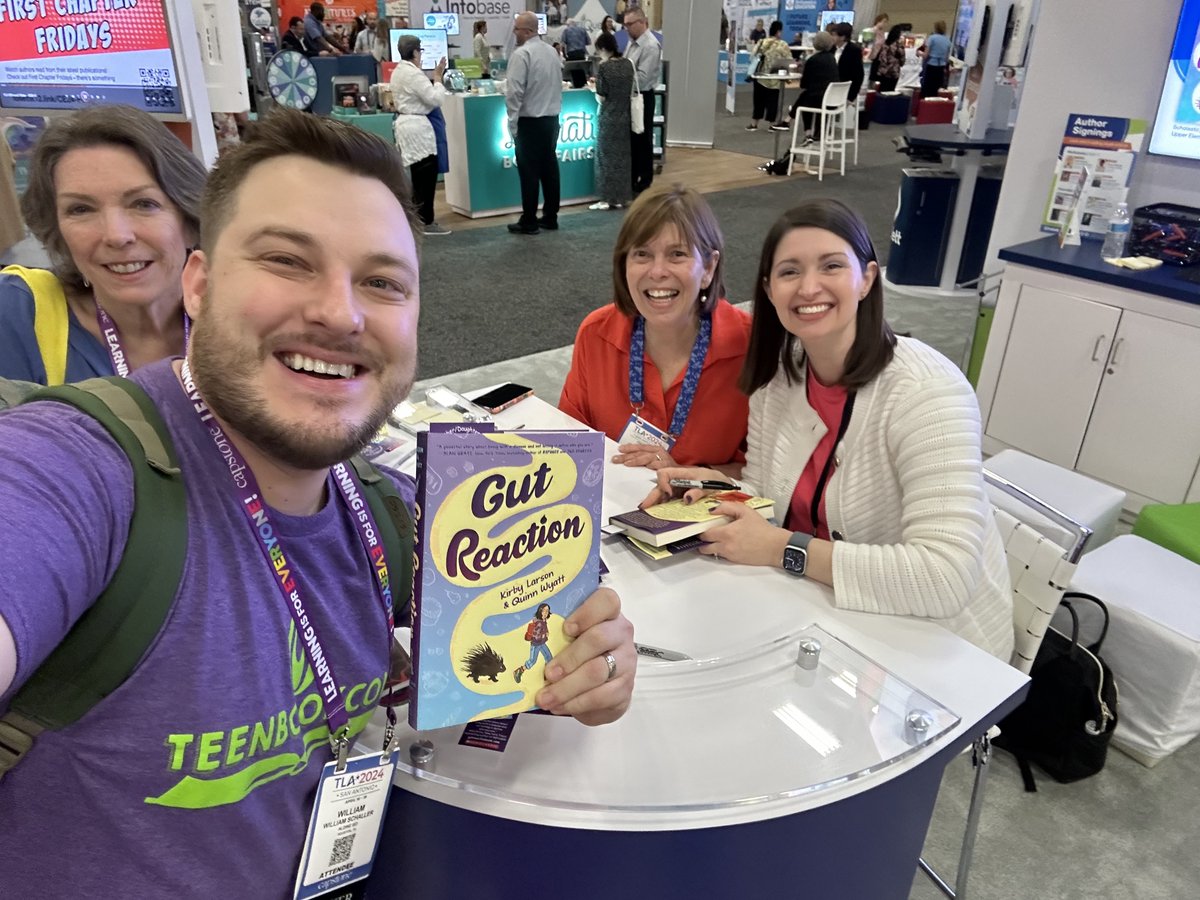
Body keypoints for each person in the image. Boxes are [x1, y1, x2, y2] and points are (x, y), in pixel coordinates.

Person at [0, 109, 635, 897]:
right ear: (198, 283)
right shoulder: (81, 470)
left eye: (381, 282)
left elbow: (548, 585)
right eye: (286, 260)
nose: (341, 313)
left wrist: (586, 652)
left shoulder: (384, 510)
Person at [644, 199, 1014, 659]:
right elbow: (769, 494)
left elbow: (944, 577)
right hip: (823, 616)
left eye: (832, 265)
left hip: (938, 649)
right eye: (790, 271)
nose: (809, 286)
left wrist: (783, 549)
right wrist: (715, 491)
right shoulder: (780, 378)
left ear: (867, 279)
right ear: (769, 289)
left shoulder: (928, 392)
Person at [0, 105, 206, 385]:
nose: (116, 235)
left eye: (143, 204)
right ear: (57, 228)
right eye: (81, 209)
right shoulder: (17, 314)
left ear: (189, 219)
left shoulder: (243, 319)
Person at [560, 185, 750, 471]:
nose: (658, 271)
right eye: (642, 254)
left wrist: (683, 476)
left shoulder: (752, 346)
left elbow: (768, 477)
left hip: (711, 512)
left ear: (708, 269)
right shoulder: (596, 334)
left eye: (677, 254)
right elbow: (570, 444)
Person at [505, 11, 563, 235]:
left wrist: (513, 124)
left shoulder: (522, 54)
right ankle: (550, 217)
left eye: (517, 28)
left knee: (529, 172)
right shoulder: (551, 51)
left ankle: (529, 220)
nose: (514, 32)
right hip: (551, 119)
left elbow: (514, 93)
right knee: (549, 169)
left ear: (528, 31)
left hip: (530, 122)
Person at [390, 35, 452, 236]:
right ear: (415, 52)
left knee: (419, 177)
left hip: (408, 126)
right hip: (417, 129)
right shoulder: (413, 75)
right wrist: (438, 78)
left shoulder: (399, 71)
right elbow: (435, 99)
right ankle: (426, 221)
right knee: (426, 176)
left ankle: (419, 221)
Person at [588, 31, 634, 211]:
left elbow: (601, 97)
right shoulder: (628, 64)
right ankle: (621, 197)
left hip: (608, 117)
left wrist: (593, 88)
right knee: (622, 159)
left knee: (605, 159)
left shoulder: (605, 68)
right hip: (624, 117)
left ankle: (605, 198)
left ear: (604, 49)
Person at [772, 30, 838, 141]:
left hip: (819, 100)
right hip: (833, 99)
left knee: (805, 97)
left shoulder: (812, 60)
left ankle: (796, 126)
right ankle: (790, 122)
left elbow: (803, 84)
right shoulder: (832, 58)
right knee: (806, 96)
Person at [623, 7, 660, 195]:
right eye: (625, 25)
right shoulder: (632, 43)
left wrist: (620, 77)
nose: (627, 28)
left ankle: (644, 180)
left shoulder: (651, 46)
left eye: (630, 24)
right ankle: (633, 177)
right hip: (632, 96)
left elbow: (643, 78)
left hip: (643, 97)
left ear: (642, 22)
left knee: (642, 139)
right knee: (633, 140)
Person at [746, 20, 791, 131]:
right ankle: (772, 125)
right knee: (773, 103)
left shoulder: (761, 42)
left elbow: (752, 57)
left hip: (761, 77)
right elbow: (789, 60)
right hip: (775, 79)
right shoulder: (783, 45)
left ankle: (754, 124)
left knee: (758, 101)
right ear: (779, 31)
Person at [833, 21, 865, 102]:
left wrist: (850, 98)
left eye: (834, 35)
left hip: (845, 91)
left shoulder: (854, 51)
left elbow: (858, 75)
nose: (832, 37)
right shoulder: (831, 49)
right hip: (832, 88)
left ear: (843, 37)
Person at [919, 20, 951, 98]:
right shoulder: (948, 40)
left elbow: (926, 55)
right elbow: (947, 58)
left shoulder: (932, 38)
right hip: (941, 68)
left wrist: (919, 53)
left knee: (926, 89)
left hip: (931, 66)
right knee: (935, 90)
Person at [875, 25, 907, 93]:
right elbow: (902, 61)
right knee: (890, 91)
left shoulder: (885, 43)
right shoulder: (899, 46)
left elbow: (881, 57)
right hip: (894, 71)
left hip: (884, 71)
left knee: (882, 91)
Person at [867, 12, 889, 83]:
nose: (885, 24)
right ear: (878, 21)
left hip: (880, 56)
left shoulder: (882, 32)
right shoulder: (871, 31)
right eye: (884, 22)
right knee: (871, 75)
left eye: (886, 22)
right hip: (872, 56)